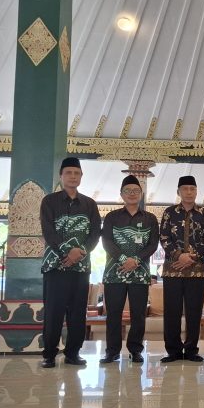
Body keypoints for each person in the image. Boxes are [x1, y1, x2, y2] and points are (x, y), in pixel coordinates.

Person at [39, 157, 101, 368]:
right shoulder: (49, 201)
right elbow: (48, 231)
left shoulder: (89, 204)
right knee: (53, 312)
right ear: (61, 176)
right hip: (55, 266)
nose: (73, 176)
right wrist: (68, 251)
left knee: (77, 313)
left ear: (81, 176)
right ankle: (49, 354)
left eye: (77, 173)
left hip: (80, 267)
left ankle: (73, 353)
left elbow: (95, 233)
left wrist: (80, 252)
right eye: (68, 173)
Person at [100, 175, 159, 364]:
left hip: (140, 275)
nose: (132, 194)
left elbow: (153, 244)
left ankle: (135, 350)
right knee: (113, 314)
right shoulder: (112, 217)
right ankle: (112, 351)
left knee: (138, 314)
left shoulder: (150, 218)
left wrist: (136, 260)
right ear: (121, 194)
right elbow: (107, 241)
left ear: (141, 194)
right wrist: (124, 259)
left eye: (135, 191)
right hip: (114, 274)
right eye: (128, 191)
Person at [158, 175, 204, 363]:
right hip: (172, 270)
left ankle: (191, 350)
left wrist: (191, 257)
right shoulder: (169, 212)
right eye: (185, 189)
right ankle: (173, 351)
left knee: (194, 311)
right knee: (171, 311)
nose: (189, 192)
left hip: (196, 271)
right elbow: (164, 237)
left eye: (192, 189)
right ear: (179, 192)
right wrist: (179, 256)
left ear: (196, 191)